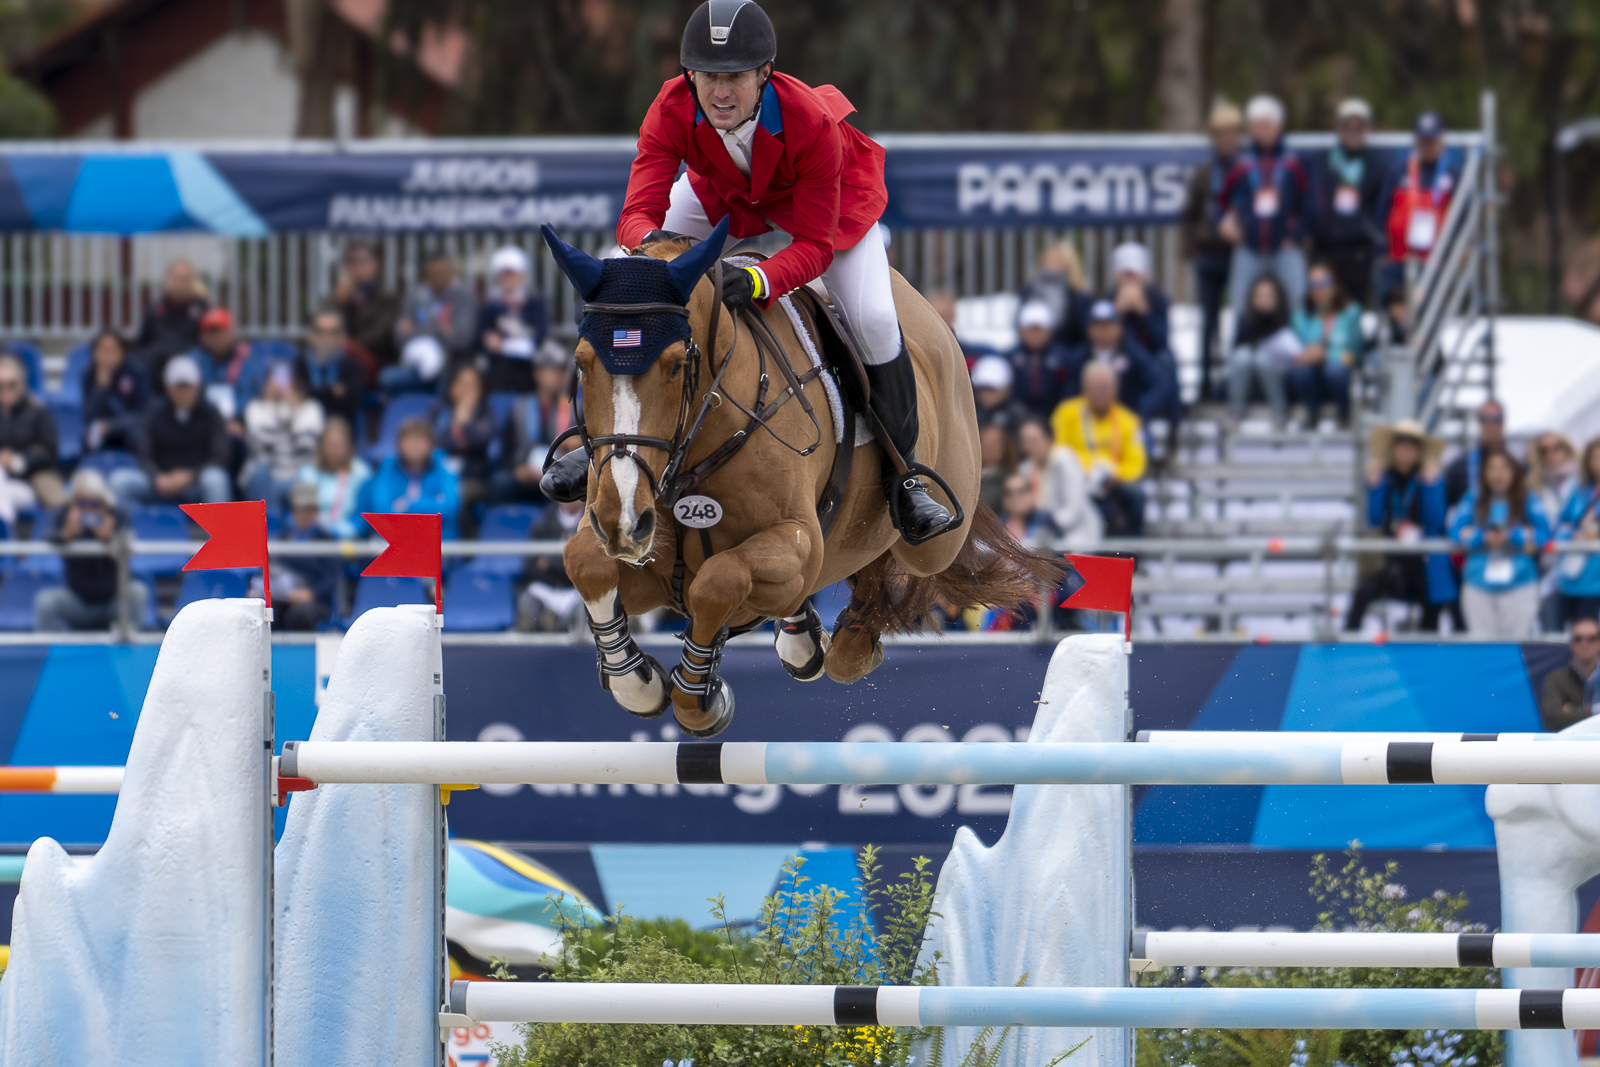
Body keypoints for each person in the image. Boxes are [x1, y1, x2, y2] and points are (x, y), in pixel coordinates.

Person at [550, 0, 952, 543]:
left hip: (828, 206)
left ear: (764, 73)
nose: (721, 92)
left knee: (877, 319)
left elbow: (812, 246)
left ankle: (906, 477)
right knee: (630, 270)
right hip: (728, 196)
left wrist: (761, 280)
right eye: (709, 76)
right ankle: (596, 446)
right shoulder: (669, 108)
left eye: (735, 76)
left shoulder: (809, 120)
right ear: (689, 74)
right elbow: (636, 215)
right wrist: (656, 255)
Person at [1347, 420, 1456, 632]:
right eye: (1401, 444)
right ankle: (1344, 649)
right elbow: (1375, 519)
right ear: (1393, 448)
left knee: (1434, 599)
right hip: (1390, 561)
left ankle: (1427, 654)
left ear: (1419, 450)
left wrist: (1431, 486)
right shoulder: (1384, 479)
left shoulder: (1430, 479)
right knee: (1363, 591)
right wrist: (1375, 487)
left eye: (1412, 444)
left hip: (1423, 562)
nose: (1406, 450)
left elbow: (1436, 520)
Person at [1219, 94, 1310, 318]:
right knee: (1240, 301)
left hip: (1285, 246)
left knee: (1296, 299)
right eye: (1256, 126)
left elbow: (1308, 202)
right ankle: (1241, 348)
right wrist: (1224, 225)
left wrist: (1296, 233)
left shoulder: (1294, 162)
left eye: (1265, 125)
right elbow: (1222, 200)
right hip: (1248, 246)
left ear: (1278, 126)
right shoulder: (1240, 162)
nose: (1260, 131)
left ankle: (1298, 348)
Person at [1180, 101, 1244, 401]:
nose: (1228, 139)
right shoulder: (1205, 173)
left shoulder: (1248, 169)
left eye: (1233, 133)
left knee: (1243, 319)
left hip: (1241, 254)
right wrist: (1193, 250)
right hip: (1209, 254)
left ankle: (1238, 382)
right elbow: (1189, 215)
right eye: (1222, 133)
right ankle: (1206, 382)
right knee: (1209, 322)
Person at [1450, 446, 1549, 638]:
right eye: (1492, 468)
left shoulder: (1527, 498)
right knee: (1483, 646)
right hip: (1478, 583)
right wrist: (1481, 537)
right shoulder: (1473, 498)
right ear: (1483, 473)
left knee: (1516, 644)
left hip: (1520, 583)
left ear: (1514, 471)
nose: (1498, 474)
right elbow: (1454, 532)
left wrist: (1514, 536)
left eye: (1504, 468)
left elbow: (1545, 534)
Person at [34, 469, 148, 632]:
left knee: (137, 591)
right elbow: (46, 536)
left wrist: (111, 539)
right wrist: (66, 533)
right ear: (74, 500)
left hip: (113, 600)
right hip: (79, 601)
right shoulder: (65, 513)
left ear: (103, 501)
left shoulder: (116, 514)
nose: (88, 510)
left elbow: (130, 544)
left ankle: (128, 648)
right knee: (45, 601)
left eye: (94, 504)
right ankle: (47, 654)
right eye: (82, 504)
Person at [112, 355, 231, 508]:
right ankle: (128, 530)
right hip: (160, 483)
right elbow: (144, 454)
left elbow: (220, 456)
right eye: (178, 386)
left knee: (216, 479)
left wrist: (191, 475)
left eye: (187, 386)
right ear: (168, 387)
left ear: (197, 386)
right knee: (119, 482)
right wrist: (157, 478)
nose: (183, 392)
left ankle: (221, 531)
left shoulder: (211, 412)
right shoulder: (154, 412)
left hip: (197, 482)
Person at [1052, 362, 1147, 537]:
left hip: (1114, 480)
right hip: (1076, 477)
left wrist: (1113, 474)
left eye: (1104, 388)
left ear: (1115, 389)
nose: (1098, 393)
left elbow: (1136, 464)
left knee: (1137, 494)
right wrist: (1088, 470)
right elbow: (1059, 451)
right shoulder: (1066, 413)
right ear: (1084, 389)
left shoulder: (1129, 421)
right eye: (1093, 388)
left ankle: (1134, 547)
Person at [1309, 98, 1386, 305]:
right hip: (1325, 245)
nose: (1353, 131)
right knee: (1322, 304)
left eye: (1358, 126)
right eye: (1347, 126)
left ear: (1367, 129)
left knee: (1354, 306)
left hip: (1359, 247)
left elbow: (1381, 205)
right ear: (1338, 128)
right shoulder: (1322, 161)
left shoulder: (1376, 164)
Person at [495, 343, 575, 505]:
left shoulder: (574, 409)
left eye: (561, 370)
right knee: (499, 482)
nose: (558, 376)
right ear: (537, 373)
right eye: (552, 370)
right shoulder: (519, 407)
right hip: (524, 472)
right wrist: (517, 469)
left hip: (559, 474)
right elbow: (505, 451)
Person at [242, 362, 324, 519]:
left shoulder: (312, 408)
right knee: (258, 472)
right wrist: (269, 404)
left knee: (309, 475)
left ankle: (301, 534)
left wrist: (294, 408)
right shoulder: (255, 408)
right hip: (269, 475)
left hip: (298, 474)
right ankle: (271, 528)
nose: (281, 386)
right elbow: (262, 447)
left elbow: (305, 446)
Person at [1384, 111, 1463, 274]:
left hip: (1439, 261)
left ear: (1441, 139)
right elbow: (1383, 210)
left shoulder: (1453, 173)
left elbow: (1463, 215)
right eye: (1423, 140)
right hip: (1399, 259)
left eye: (1431, 140)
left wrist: (1453, 253)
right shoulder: (1398, 171)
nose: (1427, 146)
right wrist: (1382, 250)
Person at [358, 419, 461, 540]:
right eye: (409, 440)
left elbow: (450, 507)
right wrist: (431, 508)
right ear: (399, 444)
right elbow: (381, 509)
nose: (414, 446)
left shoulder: (443, 466)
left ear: (431, 445)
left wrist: (407, 505)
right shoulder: (388, 467)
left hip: (437, 543)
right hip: (394, 541)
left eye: (420, 441)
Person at [255, 481, 338, 631]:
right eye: (299, 509)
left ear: (315, 512)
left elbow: (331, 578)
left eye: (308, 509)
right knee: (260, 610)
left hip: (314, 600)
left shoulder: (328, 541)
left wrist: (311, 593)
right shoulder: (281, 539)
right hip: (281, 596)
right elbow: (268, 568)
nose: (303, 514)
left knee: (300, 614)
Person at [1287, 262, 1362, 426]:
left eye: (1323, 283)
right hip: (1310, 375)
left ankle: (1344, 413)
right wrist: (1308, 355)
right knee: (1300, 371)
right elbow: (1295, 350)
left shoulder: (1351, 311)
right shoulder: (1300, 316)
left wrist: (1326, 355)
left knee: (1336, 370)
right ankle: (1311, 413)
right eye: (1312, 284)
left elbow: (1355, 351)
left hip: (1340, 373)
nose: (1318, 289)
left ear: (1335, 285)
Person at [1065, 300, 1166, 421]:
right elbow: (1067, 392)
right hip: (1084, 421)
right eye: (1098, 325)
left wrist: (1141, 409)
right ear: (1088, 329)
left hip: (1126, 420)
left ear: (1120, 328)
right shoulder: (1077, 358)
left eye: (1108, 325)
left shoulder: (1133, 354)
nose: (1103, 330)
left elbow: (1160, 383)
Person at [1225, 274, 1301, 428]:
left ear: (1279, 297)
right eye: (1260, 295)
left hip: (1280, 381)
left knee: (1262, 358)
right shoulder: (1244, 322)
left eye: (1269, 295)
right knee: (1243, 355)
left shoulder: (1289, 321)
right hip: (1249, 384)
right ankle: (1236, 412)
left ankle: (1280, 411)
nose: (1264, 300)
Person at [433, 363, 498, 537]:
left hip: (473, 477)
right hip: (438, 474)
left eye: (472, 385)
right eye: (462, 384)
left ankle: (457, 548)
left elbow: (480, 441)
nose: (466, 390)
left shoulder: (487, 415)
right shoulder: (439, 413)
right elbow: (433, 442)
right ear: (451, 387)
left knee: (456, 496)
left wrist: (463, 422)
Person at [474, 245, 549, 394]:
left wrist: (503, 345)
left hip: (528, 368)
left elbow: (538, 339)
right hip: (498, 367)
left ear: (522, 274)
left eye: (512, 273)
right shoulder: (490, 305)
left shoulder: (535, 303)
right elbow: (482, 338)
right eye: (504, 274)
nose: (508, 278)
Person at [0, 353, 64, 525]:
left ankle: (5, 544)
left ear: (22, 384)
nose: (6, 390)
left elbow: (49, 452)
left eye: (11, 385)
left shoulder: (38, 413)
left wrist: (17, 460)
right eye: (1, 385)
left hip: (32, 480)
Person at [1016, 416, 1100, 548]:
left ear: (1049, 439)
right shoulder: (1025, 468)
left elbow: (1073, 510)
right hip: (1041, 531)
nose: (1028, 447)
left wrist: (1049, 519)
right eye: (1024, 442)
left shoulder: (1064, 460)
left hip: (1076, 533)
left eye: (1033, 441)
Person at [132, 258, 208, 383]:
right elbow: (142, 344)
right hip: (157, 371)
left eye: (186, 279)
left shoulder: (202, 309)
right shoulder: (154, 310)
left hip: (192, 371)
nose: (181, 284)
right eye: (177, 278)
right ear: (168, 279)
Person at [516, 498, 587, 631]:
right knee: (528, 599)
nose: (569, 498)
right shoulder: (543, 522)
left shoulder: (591, 524)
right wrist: (564, 564)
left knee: (590, 605)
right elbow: (529, 565)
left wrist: (550, 563)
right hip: (546, 588)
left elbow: (587, 567)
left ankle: (561, 625)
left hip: (576, 590)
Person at [394, 250, 478, 361]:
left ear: (451, 271)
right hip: (416, 358)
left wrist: (417, 329)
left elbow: (462, 340)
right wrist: (442, 329)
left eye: (443, 272)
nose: (439, 277)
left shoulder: (464, 296)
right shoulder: (414, 297)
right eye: (434, 273)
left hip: (453, 360)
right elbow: (399, 338)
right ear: (426, 275)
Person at [296, 418, 371, 539]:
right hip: (311, 538)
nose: (334, 450)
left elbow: (362, 520)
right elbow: (299, 516)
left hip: (347, 543)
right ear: (322, 446)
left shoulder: (361, 474)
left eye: (339, 445)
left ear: (349, 446)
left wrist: (335, 531)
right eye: (330, 445)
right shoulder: (307, 473)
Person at [1552, 436, 1600, 624]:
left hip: (1596, 583)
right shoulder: (1580, 491)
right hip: (1571, 577)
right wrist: (1573, 535)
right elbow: (1559, 526)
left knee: (1589, 640)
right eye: (1595, 457)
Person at [296, 306, 368, 428]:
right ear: (311, 335)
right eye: (320, 331)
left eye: (333, 332)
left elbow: (348, 402)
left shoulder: (354, 367)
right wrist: (333, 392)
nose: (326, 338)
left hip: (341, 433)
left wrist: (311, 393)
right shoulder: (298, 365)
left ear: (343, 337)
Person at [333, 240, 400, 368]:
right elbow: (319, 327)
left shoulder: (388, 298)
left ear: (376, 263)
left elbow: (377, 336)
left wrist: (348, 344)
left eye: (362, 260)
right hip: (338, 356)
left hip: (375, 360)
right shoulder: (336, 296)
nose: (357, 267)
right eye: (351, 261)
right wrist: (339, 305)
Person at [82, 330, 150, 454]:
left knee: (137, 436)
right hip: (101, 430)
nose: (106, 355)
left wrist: (111, 425)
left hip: (127, 428)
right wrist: (101, 388)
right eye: (102, 350)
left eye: (111, 350)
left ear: (122, 352)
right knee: (87, 438)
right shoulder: (88, 374)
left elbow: (143, 413)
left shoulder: (137, 372)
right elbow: (89, 416)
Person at [1003, 301, 1073, 418]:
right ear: (1021, 331)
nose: (1035, 335)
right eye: (1031, 329)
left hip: (1055, 416)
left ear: (1049, 331)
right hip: (1017, 419)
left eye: (1039, 329)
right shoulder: (1009, 358)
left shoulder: (1063, 358)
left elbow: (1068, 393)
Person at [1017, 240, 1092, 350]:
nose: (1051, 264)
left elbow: (1084, 333)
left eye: (1057, 260)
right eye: (1048, 259)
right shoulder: (1028, 291)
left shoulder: (1078, 296)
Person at [1107, 241, 1170, 357]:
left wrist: (1144, 311)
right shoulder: (1107, 299)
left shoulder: (1157, 298)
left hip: (1151, 356)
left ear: (1145, 274)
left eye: (1134, 274)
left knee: (1166, 358)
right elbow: (1099, 342)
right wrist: (1116, 312)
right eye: (1125, 274)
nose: (1130, 280)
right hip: (1115, 358)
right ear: (1115, 274)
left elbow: (1161, 342)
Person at [1444, 399, 1510, 507]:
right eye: (1484, 418)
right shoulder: (1458, 468)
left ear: (1503, 423)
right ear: (1478, 422)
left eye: (1495, 418)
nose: (1489, 423)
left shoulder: (1517, 468)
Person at [1539, 617, 1600, 732]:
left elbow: (1561, 717)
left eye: (1591, 639)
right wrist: (1594, 710)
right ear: (1571, 643)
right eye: (1578, 639)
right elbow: (1554, 718)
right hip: (1568, 745)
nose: (1584, 644)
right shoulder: (1556, 679)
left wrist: (1573, 712)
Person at [927, 289, 993, 367]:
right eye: (937, 317)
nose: (942, 323)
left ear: (954, 316)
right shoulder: (920, 355)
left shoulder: (973, 354)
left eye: (946, 316)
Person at [1529, 431, 1580, 525]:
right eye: (1544, 451)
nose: (1551, 454)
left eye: (1556, 447)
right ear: (1538, 456)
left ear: (1567, 448)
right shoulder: (1533, 487)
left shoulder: (1583, 478)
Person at [970, 356, 1029, 430]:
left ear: (1007, 388)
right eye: (981, 389)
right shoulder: (971, 412)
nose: (985, 394)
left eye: (991, 389)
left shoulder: (1017, 415)